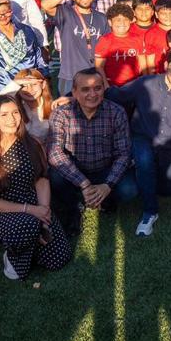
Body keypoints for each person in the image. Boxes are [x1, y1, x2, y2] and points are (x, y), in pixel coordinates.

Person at [0, 94, 72, 280]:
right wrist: (31, 211)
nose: (12, 119)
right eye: (4, 115)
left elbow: (42, 180)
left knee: (59, 259)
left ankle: (30, 241)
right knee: (27, 226)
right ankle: (13, 255)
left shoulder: (33, 143)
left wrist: (44, 211)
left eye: (15, 112)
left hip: (34, 206)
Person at [47, 68, 133, 235]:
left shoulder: (116, 112)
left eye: (97, 88)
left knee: (129, 188)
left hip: (104, 169)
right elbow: (54, 152)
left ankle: (104, 198)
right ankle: (74, 205)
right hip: (75, 170)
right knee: (55, 177)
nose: (92, 94)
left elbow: (124, 153)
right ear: (74, 92)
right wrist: (84, 183)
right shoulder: (61, 113)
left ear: (104, 88)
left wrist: (108, 185)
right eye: (85, 89)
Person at [129, 47, 171, 237]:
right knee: (144, 162)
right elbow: (117, 94)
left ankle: (145, 178)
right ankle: (150, 213)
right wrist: (71, 98)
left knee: (167, 189)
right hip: (144, 137)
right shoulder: (145, 83)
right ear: (166, 65)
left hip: (169, 145)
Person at [43, 0, 111, 97]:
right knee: (68, 113)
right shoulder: (65, 12)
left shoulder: (101, 18)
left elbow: (107, 49)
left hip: (94, 76)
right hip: (70, 76)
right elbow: (45, 5)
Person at [10, 68, 54, 143]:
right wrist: (15, 83)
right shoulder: (14, 108)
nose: (29, 89)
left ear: (43, 85)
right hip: (21, 151)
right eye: (23, 86)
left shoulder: (54, 107)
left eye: (34, 84)